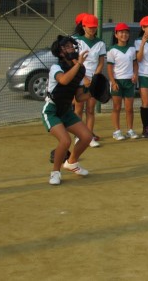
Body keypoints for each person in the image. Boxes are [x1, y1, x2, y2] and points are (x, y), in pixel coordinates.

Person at [42, 35, 93, 185]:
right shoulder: (56, 68)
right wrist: (78, 65)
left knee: (87, 137)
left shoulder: (79, 70)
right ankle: (55, 172)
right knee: (65, 140)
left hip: (66, 111)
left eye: (72, 46)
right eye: (68, 46)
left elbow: (79, 97)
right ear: (61, 52)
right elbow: (64, 80)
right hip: (51, 111)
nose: (72, 48)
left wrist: (93, 92)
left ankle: (71, 163)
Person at [73, 14, 107, 148]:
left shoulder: (100, 43)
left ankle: (89, 137)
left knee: (91, 109)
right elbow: (75, 60)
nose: (92, 29)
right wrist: (84, 77)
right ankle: (78, 136)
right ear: (83, 26)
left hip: (93, 80)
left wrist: (94, 79)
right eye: (89, 27)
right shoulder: (76, 41)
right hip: (79, 79)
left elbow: (101, 62)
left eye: (94, 27)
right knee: (78, 109)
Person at [107, 22, 139, 140]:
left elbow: (135, 64)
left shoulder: (132, 49)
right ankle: (117, 131)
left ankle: (130, 130)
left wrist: (135, 74)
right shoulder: (112, 50)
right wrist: (113, 82)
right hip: (117, 82)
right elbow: (109, 67)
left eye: (126, 32)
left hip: (129, 82)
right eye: (121, 32)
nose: (124, 35)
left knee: (129, 108)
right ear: (116, 35)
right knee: (116, 107)